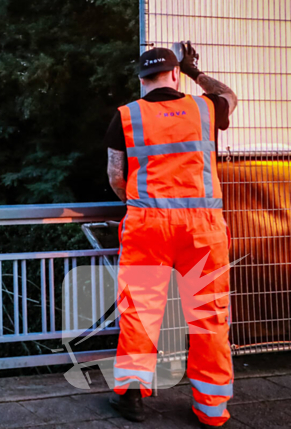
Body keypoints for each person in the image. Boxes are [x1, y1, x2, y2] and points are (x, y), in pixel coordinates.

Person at [104, 42, 238, 427]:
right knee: (209, 315)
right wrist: (196, 71)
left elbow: (116, 175)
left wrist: (141, 201)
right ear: (174, 74)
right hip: (203, 229)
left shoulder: (126, 116)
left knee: (139, 311)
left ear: (142, 79)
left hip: (148, 226)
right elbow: (229, 95)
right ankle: (211, 409)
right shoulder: (205, 108)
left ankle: (131, 397)